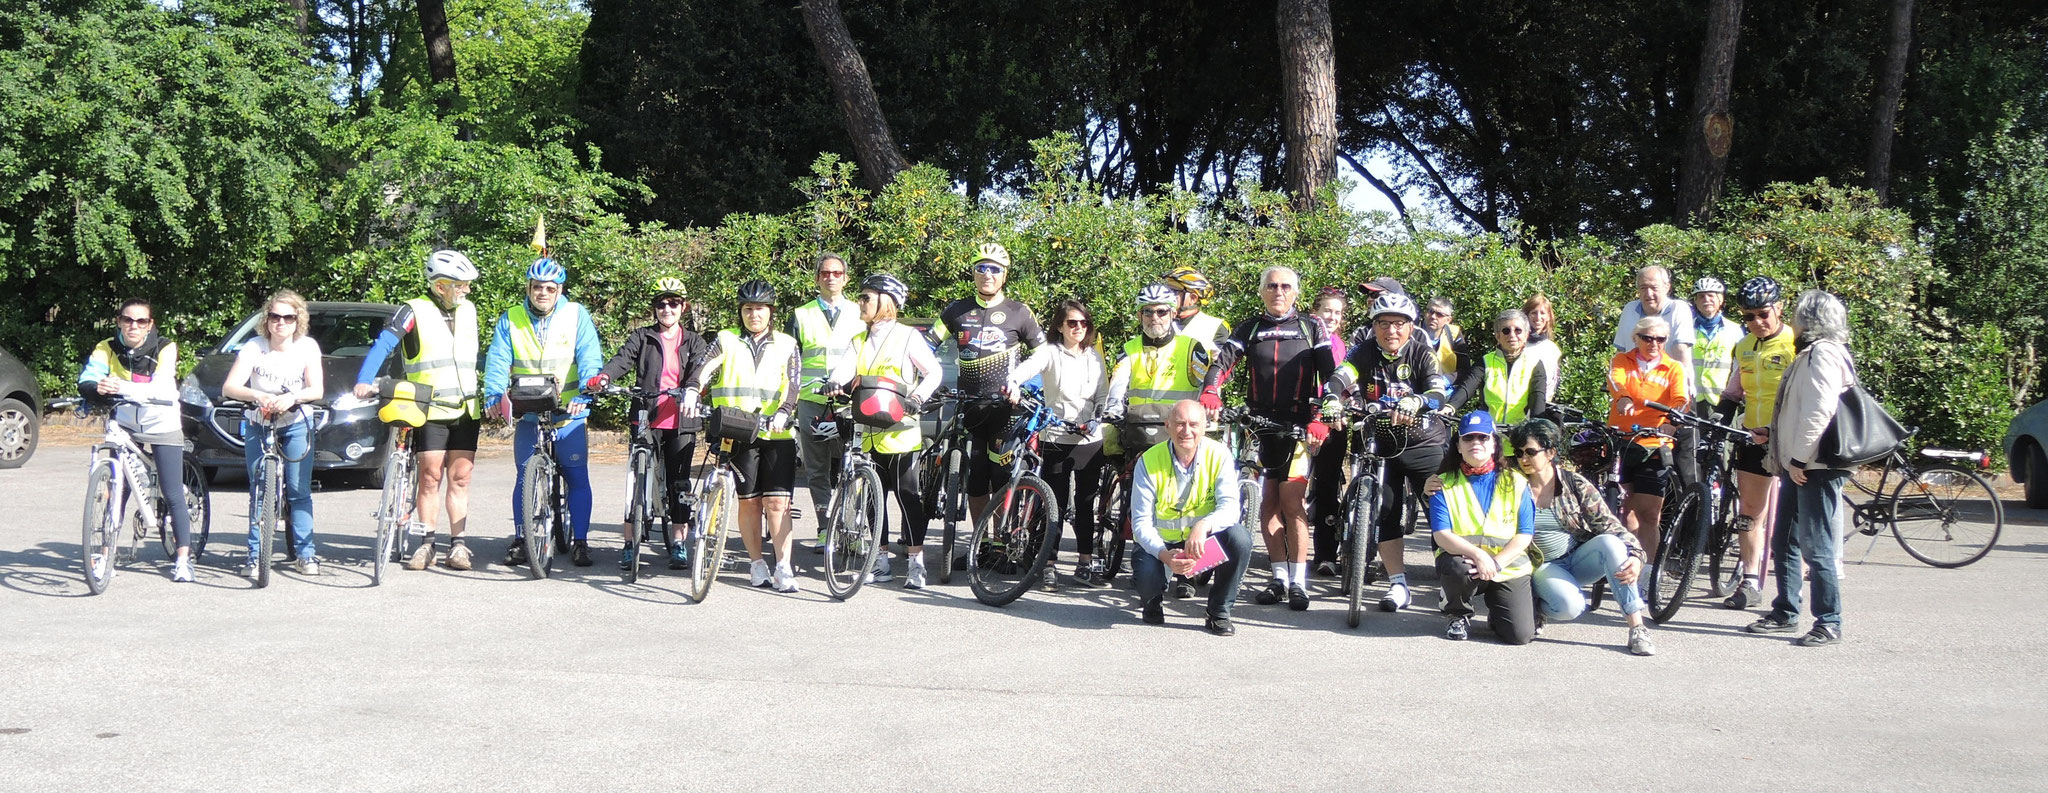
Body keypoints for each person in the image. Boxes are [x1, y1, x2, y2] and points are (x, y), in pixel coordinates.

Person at [1198, 266, 1335, 611]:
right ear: (1262, 291)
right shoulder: (1251, 327)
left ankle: (1299, 582)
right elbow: (1222, 363)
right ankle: (1278, 578)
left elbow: (1330, 376)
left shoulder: (1310, 325)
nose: (1278, 291)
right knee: (1268, 504)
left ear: (1296, 293)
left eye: (1286, 286)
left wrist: (1321, 418)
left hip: (1298, 426)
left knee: (1292, 504)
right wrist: (1211, 391)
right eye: (1272, 286)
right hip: (1259, 424)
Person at [352, 250, 483, 571]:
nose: (466, 290)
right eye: (460, 285)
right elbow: (384, 344)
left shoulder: (469, 310)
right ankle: (426, 544)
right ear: (441, 286)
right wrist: (364, 380)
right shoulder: (413, 310)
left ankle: (459, 546)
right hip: (430, 408)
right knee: (429, 478)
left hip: (466, 408)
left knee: (461, 478)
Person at [1322, 291, 1451, 612]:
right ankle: (1398, 584)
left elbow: (1437, 391)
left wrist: (1418, 400)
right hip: (1380, 443)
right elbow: (1341, 376)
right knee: (1387, 513)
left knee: (1442, 509)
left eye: (1398, 324)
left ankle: (1451, 580)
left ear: (1410, 327)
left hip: (1423, 442)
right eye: (1383, 323)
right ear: (1373, 326)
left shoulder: (1422, 353)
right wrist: (1331, 398)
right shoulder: (1364, 351)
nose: (1391, 330)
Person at [1744, 290, 1855, 647]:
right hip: (1804, 461)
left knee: (1817, 545)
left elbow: (1819, 412)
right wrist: (1774, 434)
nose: (1792, 318)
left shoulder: (1823, 354)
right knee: (1784, 540)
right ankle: (1786, 610)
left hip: (1813, 465)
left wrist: (1797, 459)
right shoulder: (1814, 352)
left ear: (1810, 319)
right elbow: (1800, 410)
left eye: (1797, 313)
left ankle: (1829, 621)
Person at [484, 257, 607, 569]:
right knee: (525, 475)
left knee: (577, 476)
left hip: (568, 413)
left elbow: (590, 358)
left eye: (549, 288)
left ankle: (580, 541)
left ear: (559, 289)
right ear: (529, 287)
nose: (542, 293)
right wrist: (494, 394)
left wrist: (586, 394)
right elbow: (498, 360)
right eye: (537, 287)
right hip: (528, 412)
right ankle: (522, 538)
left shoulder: (576, 315)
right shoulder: (510, 318)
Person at [687, 279, 802, 592]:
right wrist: (693, 388)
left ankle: (783, 566)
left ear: (771, 311)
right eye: (748, 308)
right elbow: (704, 366)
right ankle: (756, 563)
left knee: (777, 502)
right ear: (741, 311)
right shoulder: (726, 339)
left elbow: (793, 384)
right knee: (749, 503)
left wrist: (784, 410)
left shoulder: (788, 344)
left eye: (760, 308)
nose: (754, 314)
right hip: (738, 431)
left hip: (777, 433)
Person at [829, 273, 944, 588]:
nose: (860, 303)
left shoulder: (907, 336)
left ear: (886, 302)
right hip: (869, 429)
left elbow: (934, 371)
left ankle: (915, 562)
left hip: (901, 430)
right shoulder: (859, 340)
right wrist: (834, 382)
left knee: (908, 496)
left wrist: (918, 397)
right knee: (870, 497)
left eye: (866, 297)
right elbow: (844, 369)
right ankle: (879, 562)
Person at [927, 242, 1051, 532]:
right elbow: (927, 344)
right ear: (973, 273)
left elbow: (1044, 353)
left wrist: (1018, 379)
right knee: (976, 479)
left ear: (1004, 275)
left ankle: (1000, 537)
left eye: (995, 269)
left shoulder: (1019, 312)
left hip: (1004, 409)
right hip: (969, 406)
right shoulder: (956, 310)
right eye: (981, 268)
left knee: (1002, 476)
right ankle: (981, 540)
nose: (987, 274)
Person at [589, 277, 710, 571]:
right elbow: (622, 360)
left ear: (684, 307)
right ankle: (630, 544)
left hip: (681, 418)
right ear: (654, 308)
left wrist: (692, 387)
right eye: (661, 304)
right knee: (635, 478)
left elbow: (698, 370)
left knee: (679, 482)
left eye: (673, 303)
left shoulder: (694, 341)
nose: (666, 309)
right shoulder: (641, 337)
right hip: (645, 412)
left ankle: (679, 543)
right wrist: (604, 378)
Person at [1104, 284, 1216, 595]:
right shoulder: (1129, 348)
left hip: (1183, 432)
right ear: (1139, 315)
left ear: (1173, 313)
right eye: (1148, 311)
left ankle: (1187, 572)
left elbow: (1208, 381)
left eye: (1162, 311)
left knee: (1190, 500)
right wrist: (1113, 406)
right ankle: (1148, 559)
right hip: (1140, 432)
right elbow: (1119, 382)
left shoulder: (1192, 346)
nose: (1155, 317)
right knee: (1140, 500)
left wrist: (1211, 401)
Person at [78, 298, 196, 582]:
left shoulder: (164, 346)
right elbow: (87, 379)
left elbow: (161, 383)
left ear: (150, 324)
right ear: (119, 321)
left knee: (171, 491)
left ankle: (182, 558)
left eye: (141, 321)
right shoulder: (106, 347)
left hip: (161, 418)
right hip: (125, 421)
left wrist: (120, 386)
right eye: (128, 320)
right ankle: (106, 554)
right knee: (117, 490)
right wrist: (97, 387)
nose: (134, 326)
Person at [1514, 419, 1656, 656]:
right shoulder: (1513, 486)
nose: (1523, 458)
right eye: (1519, 453)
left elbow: (1610, 524)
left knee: (1611, 544)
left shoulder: (1573, 483)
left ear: (1551, 452)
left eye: (1530, 451)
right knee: (1570, 608)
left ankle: (1637, 628)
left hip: (1577, 558)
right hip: (1543, 565)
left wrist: (1637, 555)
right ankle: (1536, 603)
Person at [221, 289, 325, 578]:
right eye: (275, 317)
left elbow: (316, 389)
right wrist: (257, 395)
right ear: (267, 320)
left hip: (295, 422)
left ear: (297, 320)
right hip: (259, 421)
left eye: (288, 317)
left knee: (298, 490)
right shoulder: (254, 347)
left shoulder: (307, 347)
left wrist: (292, 398)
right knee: (259, 489)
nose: (281, 323)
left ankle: (305, 553)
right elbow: (229, 387)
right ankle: (254, 556)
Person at [1129, 400, 1252, 636]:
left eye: (1194, 424)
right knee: (1146, 579)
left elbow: (1230, 507)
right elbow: (1141, 523)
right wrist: (1165, 555)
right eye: (1179, 424)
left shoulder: (1219, 455)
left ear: (1205, 426)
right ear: (1167, 426)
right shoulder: (1149, 460)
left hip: (1201, 544)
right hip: (1162, 544)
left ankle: (1218, 612)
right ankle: (1153, 600)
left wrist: (1203, 526)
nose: (1186, 431)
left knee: (1240, 538)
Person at [1716, 276, 1794, 610]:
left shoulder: (1797, 342)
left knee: (1795, 517)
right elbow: (1734, 391)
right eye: (1748, 316)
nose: (1757, 322)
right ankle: (1749, 581)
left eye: (1763, 313)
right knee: (1749, 513)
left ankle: (1796, 585)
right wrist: (1717, 424)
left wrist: (1777, 430)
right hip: (1752, 436)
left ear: (1779, 307)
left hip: (1790, 439)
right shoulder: (1744, 345)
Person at [1431, 411, 1536, 644]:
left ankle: (1499, 614)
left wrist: (1496, 563)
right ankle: (1457, 613)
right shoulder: (1443, 482)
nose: (1475, 443)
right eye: (1468, 438)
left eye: (1482, 437)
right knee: (1456, 568)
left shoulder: (1516, 481)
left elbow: (1524, 534)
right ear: (1458, 445)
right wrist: (1478, 555)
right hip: (1465, 562)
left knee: (1520, 636)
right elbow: (1441, 535)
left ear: (1494, 444)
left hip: (1506, 566)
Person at [1027, 298, 1109, 589]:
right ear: (1060, 326)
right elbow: (1028, 368)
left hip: (1089, 439)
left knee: (1086, 504)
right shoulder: (1050, 353)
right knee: (1054, 505)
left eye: (1083, 323)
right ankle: (1048, 564)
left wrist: (1099, 417)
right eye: (1071, 323)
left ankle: (1084, 563)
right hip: (1056, 437)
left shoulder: (1094, 356)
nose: (1077, 328)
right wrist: (1012, 383)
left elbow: (1103, 394)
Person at [788, 252, 862, 550]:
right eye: (825, 273)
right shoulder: (801, 314)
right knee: (817, 469)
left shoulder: (860, 311)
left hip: (849, 400)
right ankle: (824, 528)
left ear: (845, 278)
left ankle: (852, 530)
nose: (830, 277)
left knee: (853, 466)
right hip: (811, 399)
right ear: (817, 278)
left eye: (836, 273)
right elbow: (791, 359)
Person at [1606, 315, 1688, 562]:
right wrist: (1623, 398)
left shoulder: (1673, 368)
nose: (1654, 343)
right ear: (1636, 338)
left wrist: (1671, 424)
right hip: (1622, 440)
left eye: (1660, 339)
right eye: (1647, 338)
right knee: (1626, 508)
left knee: (1650, 514)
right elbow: (1615, 380)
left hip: (1654, 444)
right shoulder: (1622, 360)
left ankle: (1648, 571)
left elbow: (1681, 400)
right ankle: (1628, 561)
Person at [1307, 288, 1351, 576]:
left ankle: (1325, 555)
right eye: (1327, 310)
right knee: (1292, 488)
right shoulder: (1303, 336)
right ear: (1316, 311)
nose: (1332, 317)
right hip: (1303, 420)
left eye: (1337, 312)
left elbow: (1344, 386)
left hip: (1332, 423)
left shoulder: (1341, 345)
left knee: (1326, 488)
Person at [1455, 309, 1550, 426]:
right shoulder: (1485, 361)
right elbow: (1466, 388)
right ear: (1497, 336)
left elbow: (1538, 398)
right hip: (1489, 434)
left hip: (1519, 436)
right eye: (1506, 331)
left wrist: (1537, 428)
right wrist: (1450, 407)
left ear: (1526, 335)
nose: (1512, 335)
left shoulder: (1535, 363)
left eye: (1518, 330)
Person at [1611, 264, 1695, 375]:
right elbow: (1621, 351)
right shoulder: (1630, 309)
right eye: (1643, 288)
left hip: (1667, 383)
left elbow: (1680, 351)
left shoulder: (1678, 308)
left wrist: (1683, 385)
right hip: (1632, 384)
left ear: (1667, 287)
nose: (1648, 294)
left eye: (1654, 288)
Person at [1689, 277, 1743, 407]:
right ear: (1695, 301)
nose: (1706, 300)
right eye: (1701, 296)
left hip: (1723, 401)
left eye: (1711, 295)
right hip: (1691, 400)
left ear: (1721, 299)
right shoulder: (1685, 328)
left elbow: (1741, 366)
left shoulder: (1734, 330)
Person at [1163, 265, 1229, 348]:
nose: (1166, 295)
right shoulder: (1158, 321)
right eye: (1166, 290)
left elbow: (1223, 360)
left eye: (1173, 291)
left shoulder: (1216, 328)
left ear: (1192, 299)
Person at [1523, 293, 1564, 402]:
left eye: (1542, 313)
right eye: (1534, 313)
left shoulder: (1552, 350)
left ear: (1548, 317)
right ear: (1526, 315)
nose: (1538, 317)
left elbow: (1552, 384)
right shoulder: (1517, 344)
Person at [1420, 296, 1465, 384]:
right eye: (1430, 311)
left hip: (1445, 386)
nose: (1433, 317)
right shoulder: (1412, 332)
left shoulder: (1454, 334)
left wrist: (1446, 380)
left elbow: (1464, 368)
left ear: (1448, 320)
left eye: (1439, 314)